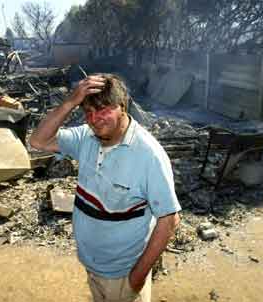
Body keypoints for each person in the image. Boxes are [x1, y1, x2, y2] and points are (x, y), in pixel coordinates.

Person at [30, 73, 181, 302]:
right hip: (92, 265)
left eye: (103, 109)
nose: (94, 119)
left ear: (122, 106)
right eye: (88, 112)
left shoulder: (148, 154)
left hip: (123, 275)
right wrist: (71, 101)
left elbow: (169, 219)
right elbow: (38, 141)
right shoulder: (86, 137)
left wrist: (136, 278)